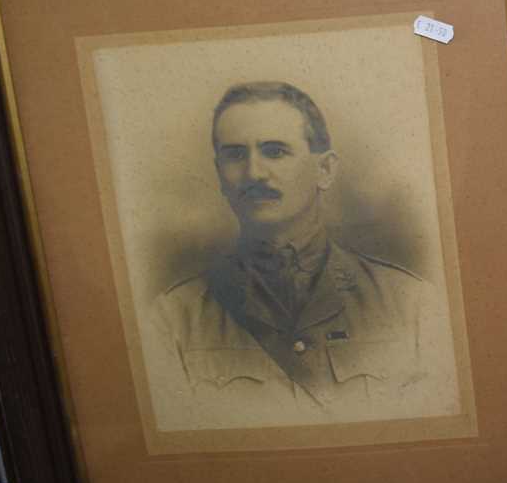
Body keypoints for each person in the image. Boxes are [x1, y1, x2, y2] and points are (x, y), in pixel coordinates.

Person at [151, 81, 456, 421]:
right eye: (235, 155)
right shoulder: (172, 321)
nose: (254, 173)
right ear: (220, 176)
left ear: (324, 170)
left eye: (275, 151)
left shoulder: (411, 305)